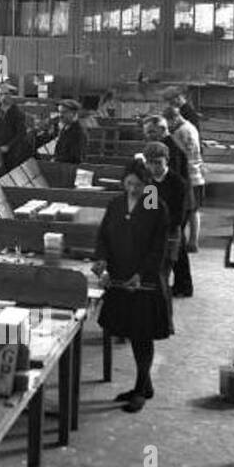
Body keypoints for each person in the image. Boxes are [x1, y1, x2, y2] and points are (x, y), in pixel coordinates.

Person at [93, 162, 173, 413]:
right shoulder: (116, 203)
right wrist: (102, 260)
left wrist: (141, 274)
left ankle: (140, 390)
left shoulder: (154, 204)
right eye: (129, 184)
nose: (133, 189)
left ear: (147, 184)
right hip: (118, 278)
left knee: (142, 334)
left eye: (138, 185)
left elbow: (157, 247)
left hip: (143, 281)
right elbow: (103, 236)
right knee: (126, 328)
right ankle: (145, 385)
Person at [142, 141, 193, 298]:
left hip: (171, 226)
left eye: (158, 163)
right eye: (150, 163)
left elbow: (179, 212)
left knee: (178, 255)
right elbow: (146, 205)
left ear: (167, 160)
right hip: (151, 226)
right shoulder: (146, 180)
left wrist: (167, 226)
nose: (154, 167)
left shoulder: (177, 183)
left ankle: (183, 286)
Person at [164, 105, 206, 251]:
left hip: (190, 174)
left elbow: (183, 153)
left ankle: (191, 242)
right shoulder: (190, 127)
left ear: (175, 118)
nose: (168, 126)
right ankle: (191, 241)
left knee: (190, 209)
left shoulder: (182, 131)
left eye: (169, 122)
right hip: (195, 172)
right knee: (193, 210)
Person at [141, 116, 189, 183]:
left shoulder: (172, 147)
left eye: (151, 132)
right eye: (146, 133)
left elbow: (173, 174)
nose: (148, 136)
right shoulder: (169, 143)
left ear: (162, 129)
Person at [0, 85, 32, 171]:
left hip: (13, 151)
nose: (4, 96)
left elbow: (21, 133)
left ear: (11, 96)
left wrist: (8, 146)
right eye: (1, 94)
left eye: (6, 94)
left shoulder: (17, 113)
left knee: (10, 171)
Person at [45, 99, 88, 164]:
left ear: (73, 113)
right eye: (59, 112)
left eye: (64, 112)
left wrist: (56, 160)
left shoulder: (79, 132)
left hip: (69, 170)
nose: (60, 115)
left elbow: (76, 158)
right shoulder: (65, 128)